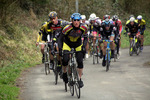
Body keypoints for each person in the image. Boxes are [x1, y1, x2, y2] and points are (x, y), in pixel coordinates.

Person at [58, 13, 88, 88]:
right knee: (65, 60)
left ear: (80, 21)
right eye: (75, 20)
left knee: (80, 61)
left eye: (78, 20)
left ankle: (80, 79)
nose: (76, 22)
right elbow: (60, 39)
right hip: (67, 44)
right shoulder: (67, 28)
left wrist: (84, 46)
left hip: (78, 44)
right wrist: (60, 49)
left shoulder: (84, 27)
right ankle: (64, 73)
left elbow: (86, 37)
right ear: (72, 21)